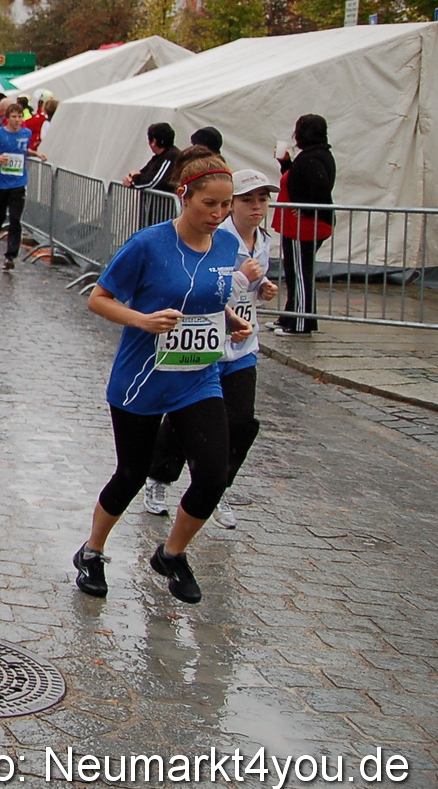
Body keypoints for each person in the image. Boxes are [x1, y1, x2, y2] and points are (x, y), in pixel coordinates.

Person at [73, 152, 238, 606]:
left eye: (226, 205)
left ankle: (172, 553)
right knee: (131, 473)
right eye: (209, 203)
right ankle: (92, 551)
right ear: (183, 196)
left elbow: (205, 297)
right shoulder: (148, 243)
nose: (218, 214)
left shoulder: (225, 246)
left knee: (212, 474)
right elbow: (98, 298)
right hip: (142, 378)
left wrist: (229, 319)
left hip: (198, 377)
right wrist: (143, 321)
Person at [144, 168, 279, 528]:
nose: (256, 206)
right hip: (208, 344)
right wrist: (240, 286)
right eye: (248, 199)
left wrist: (262, 286)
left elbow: (253, 279)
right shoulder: (217, 238)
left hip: (243, 345)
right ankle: (159, 477)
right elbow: (204, 289)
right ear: (230, 204)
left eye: (262, 199)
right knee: (184, 417)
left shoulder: (263, 239)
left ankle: (215, 488)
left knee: (242, 421)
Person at [273, 114, 334, 335]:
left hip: (305, 226)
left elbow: (320, 188)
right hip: (299, 224)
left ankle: (301, 323)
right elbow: (298, 181)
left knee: (300, 274)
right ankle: (289, 317)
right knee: (295, 271)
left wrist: (305, 209)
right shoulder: (315, 155)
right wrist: (286, 164)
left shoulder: (312, 159)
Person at [0, 103, 47, 271]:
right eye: (13, 117)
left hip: (18, 183)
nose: (17, 120)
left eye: (19, 116)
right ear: (6, 119)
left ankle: (10, 256)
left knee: (15, 219)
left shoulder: (26, 133)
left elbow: (21, 149)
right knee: (0, 217)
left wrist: (35, 153)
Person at [123, 123, 178, 192]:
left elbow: (151, 182)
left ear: (154, 141)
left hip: (162, 202)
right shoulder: (157, 158)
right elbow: (142, 172)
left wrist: (133, 180)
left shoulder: (171, 157)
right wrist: (130, 177)